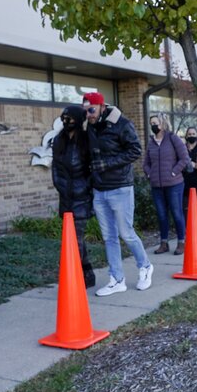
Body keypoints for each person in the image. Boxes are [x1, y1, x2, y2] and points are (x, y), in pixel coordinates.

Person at [82, 91, 153, 296]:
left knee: (126, 233)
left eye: (92, 110)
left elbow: (136, 150)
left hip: (120, 187)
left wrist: (108, 164)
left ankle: (145, 266)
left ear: (102, 106)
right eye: (85, 111)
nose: (89, 115)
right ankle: (116, 279)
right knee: (109, 237)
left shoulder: (122, 124)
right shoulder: (90, 127)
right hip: (100, 190)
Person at [51, 105, 97, 288]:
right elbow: (55, 167)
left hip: (81, 197)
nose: (66, 121)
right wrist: (60, 186)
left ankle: (73, 278)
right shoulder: (58, 140)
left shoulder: (86, 140)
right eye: (64, 118)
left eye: (69, 118)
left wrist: (85, 189)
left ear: (78, 120)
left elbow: (92, 168)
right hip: (65, 196)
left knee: (75, 239)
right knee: (74, 237)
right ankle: (88, 273)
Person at [143, 114, 190, 255]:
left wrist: (173, 173)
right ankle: (164, 243)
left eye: (155, 123)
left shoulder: (172, 138)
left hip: (174, 184)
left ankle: (181, 242)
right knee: (162, 215)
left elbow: (184, 158)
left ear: (162, 124)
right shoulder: (151, 142)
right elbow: (146, 163)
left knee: (176, 214)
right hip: (157, 186)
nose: (153, 126)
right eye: (151, 123)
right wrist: (149, 173)